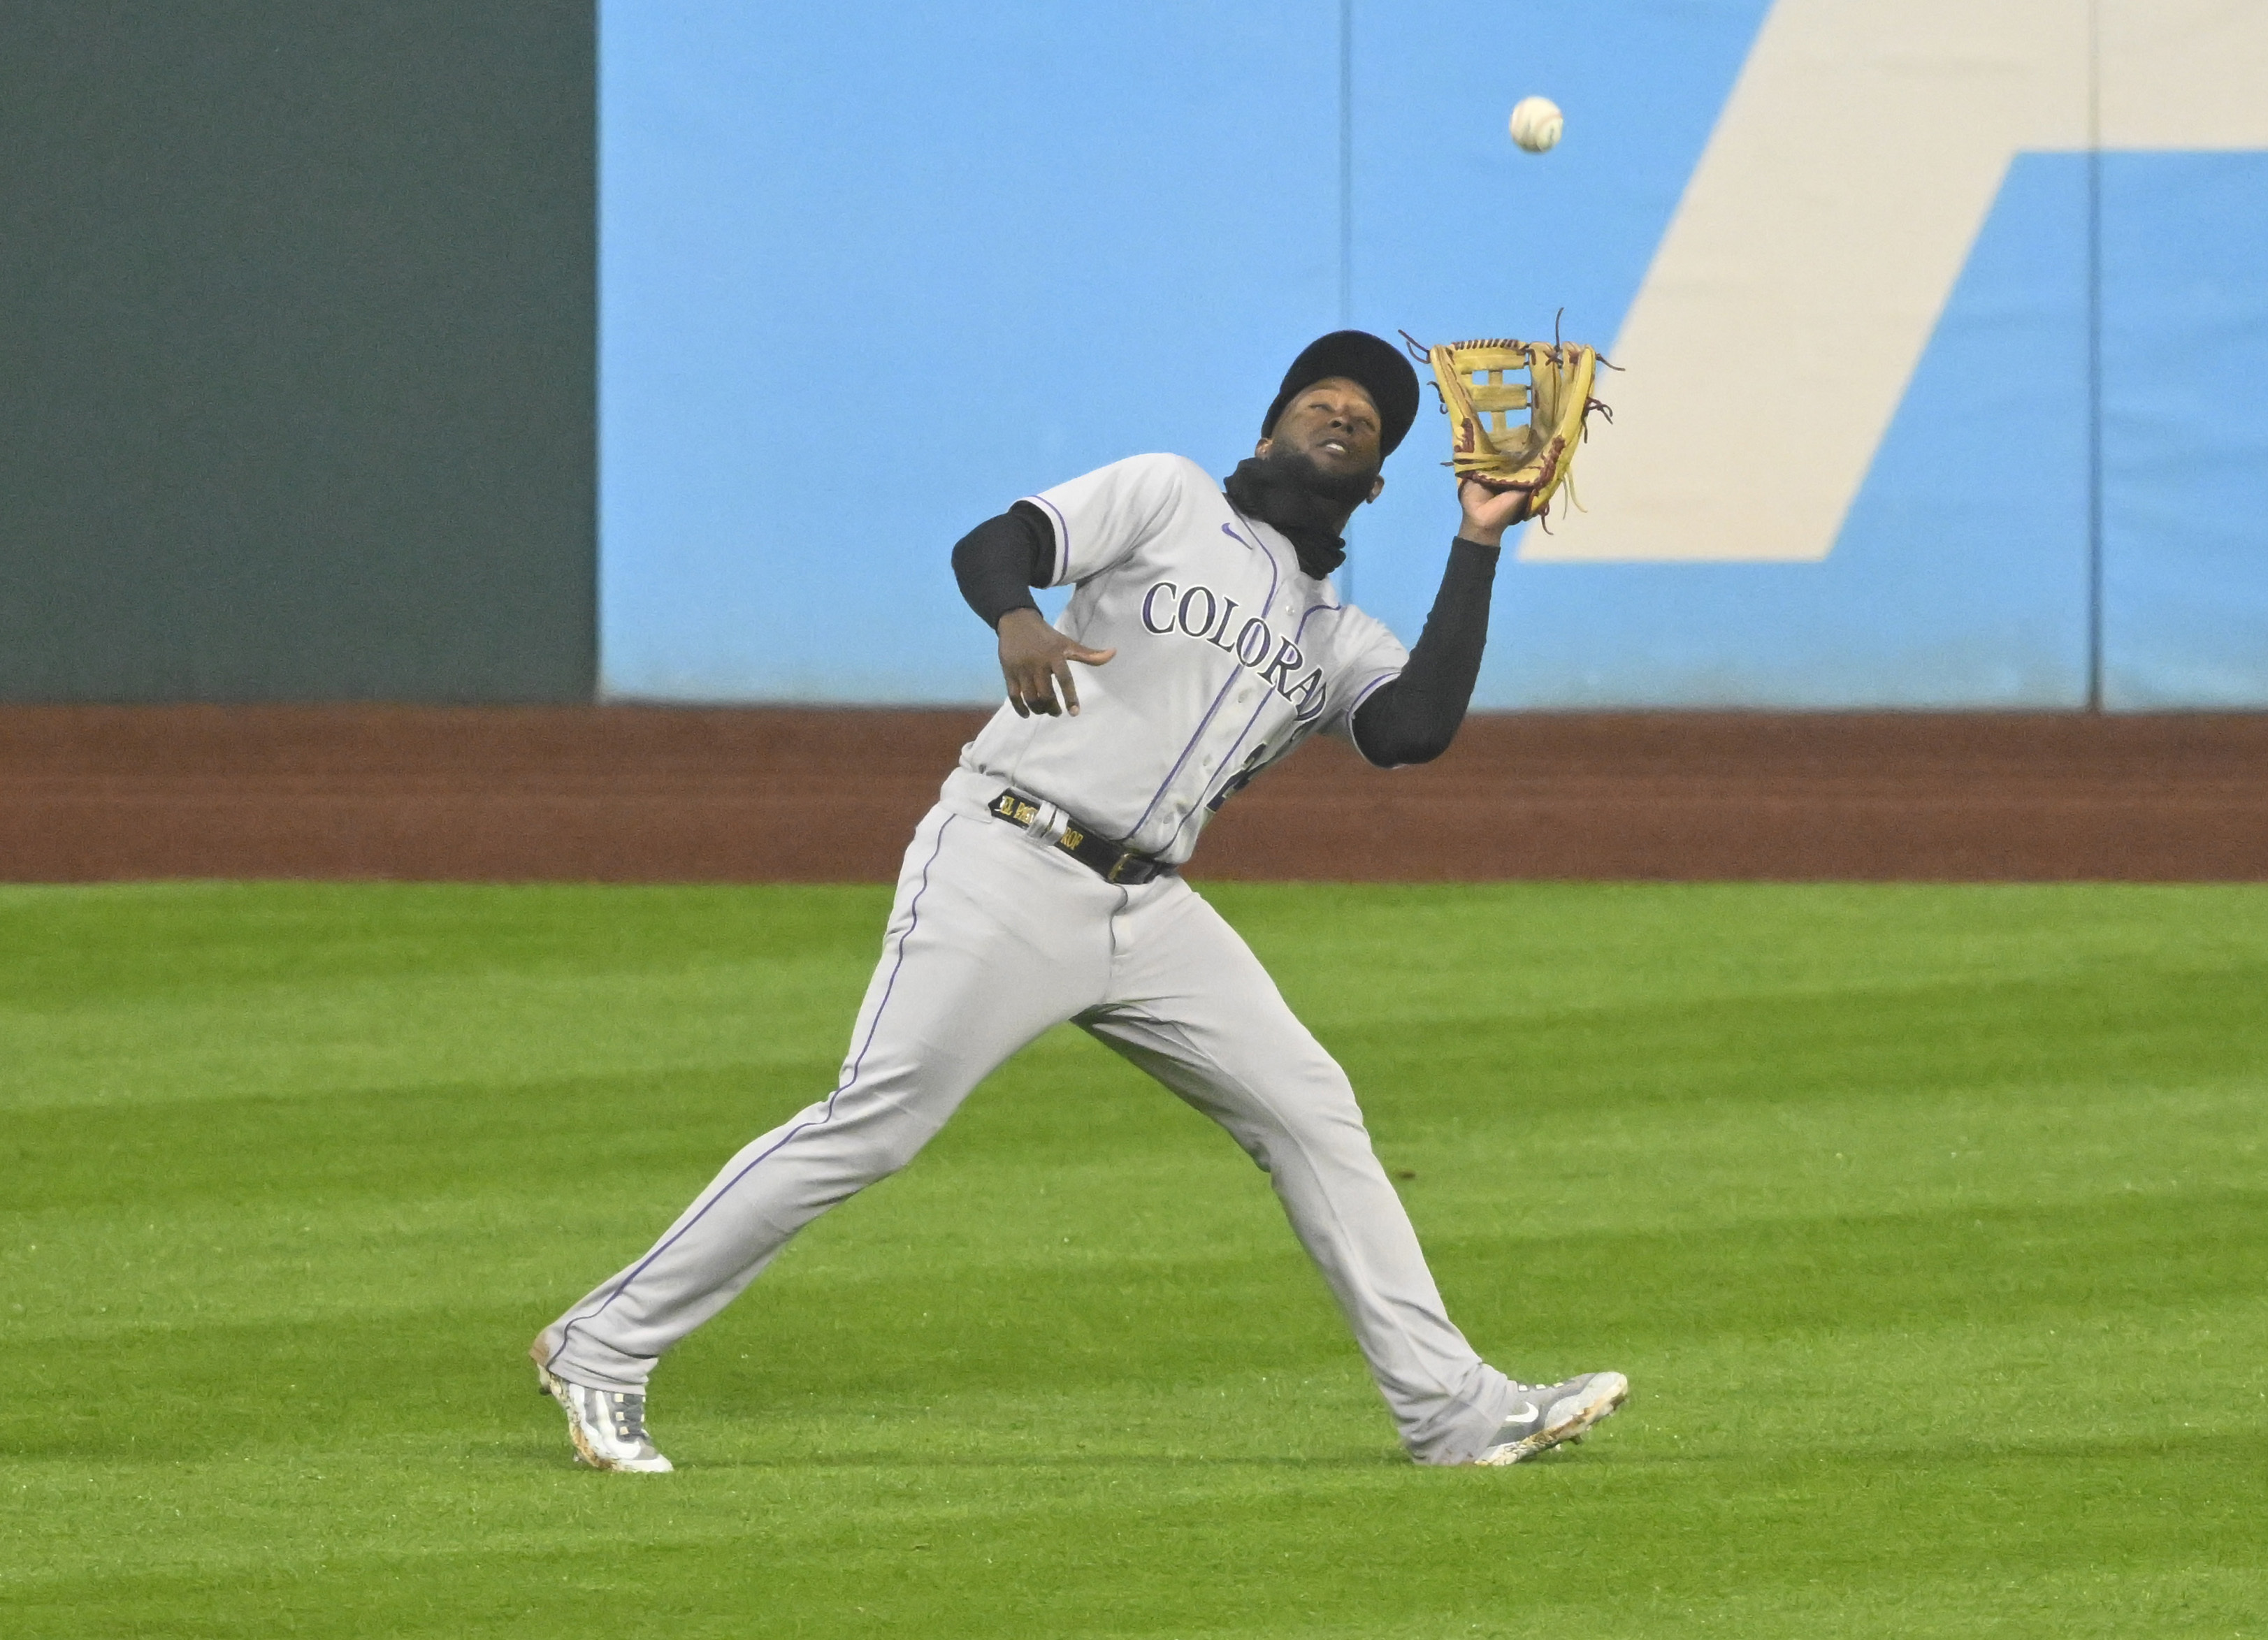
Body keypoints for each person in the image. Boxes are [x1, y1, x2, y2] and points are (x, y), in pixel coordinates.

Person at [530, 331, 1626, 1472]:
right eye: (1320, 397)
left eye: (1366, 416)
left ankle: (1451, 1409)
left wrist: (1477, 540)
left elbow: (1413, 732)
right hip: (1008, 858)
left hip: (1149, 914)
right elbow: (997, 542)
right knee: (873, 1125)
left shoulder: (1336, 636)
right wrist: (1014, 614)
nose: (1342, 412)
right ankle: (603, 1345)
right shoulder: (1166, 496)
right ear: (1267, 427)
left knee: (1310, 1109)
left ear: (1381, 478)